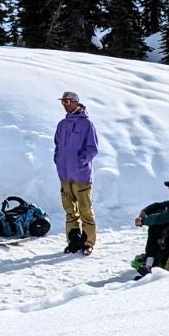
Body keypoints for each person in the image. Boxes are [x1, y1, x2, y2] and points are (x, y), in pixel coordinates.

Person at [52, 91, 99, 255]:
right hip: (64, 175)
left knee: (85, 210)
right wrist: (57, 159)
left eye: (67, 101)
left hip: (81, 176)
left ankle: (88, 242)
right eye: (62, 101)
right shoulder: (62, 125)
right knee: (70, 211)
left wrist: (81, 161)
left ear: (75, 102)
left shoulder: (87, 124)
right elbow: (57, 145)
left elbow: (93, 148)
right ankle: (73, 241)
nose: (64, 104)